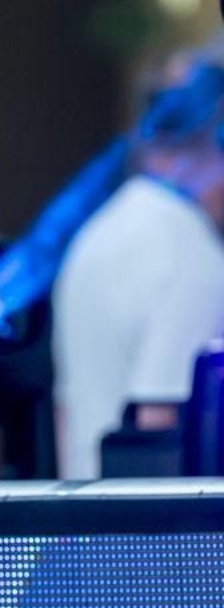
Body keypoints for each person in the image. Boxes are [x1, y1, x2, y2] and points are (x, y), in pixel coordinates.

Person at [52, 52, 224, 479]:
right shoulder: (188, 254)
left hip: (89, 521)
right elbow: (160, 421)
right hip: (156, 537)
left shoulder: (103, 230)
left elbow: (65, 415)